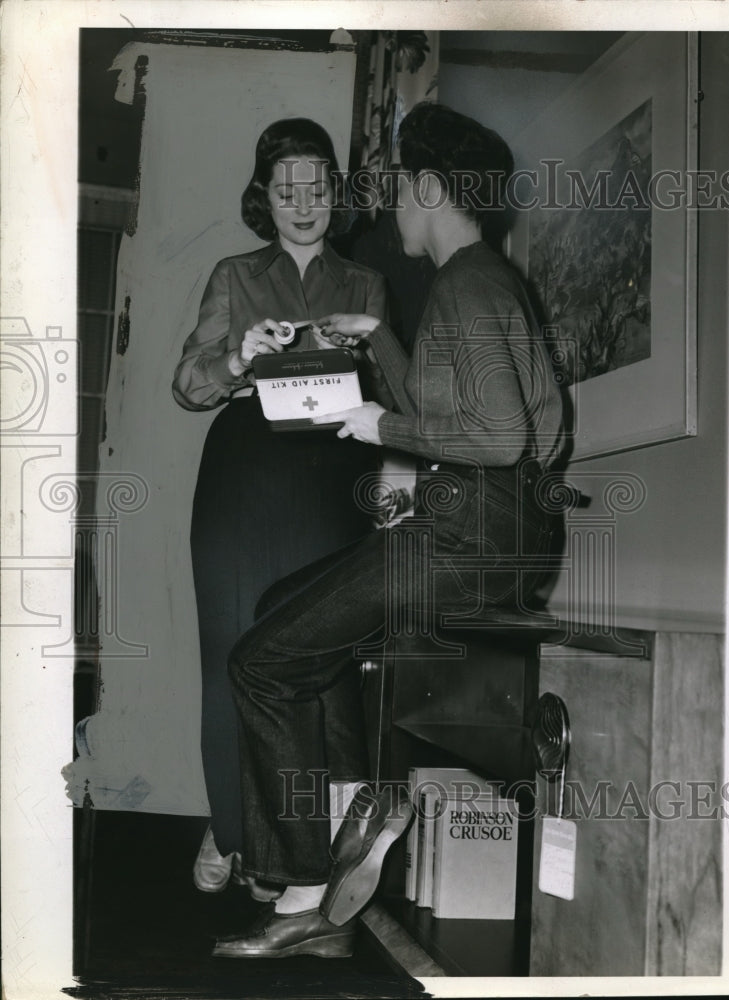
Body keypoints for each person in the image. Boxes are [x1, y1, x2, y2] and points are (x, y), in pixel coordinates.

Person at [214, 102, 565, 959]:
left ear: (432, 189)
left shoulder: (468, 284)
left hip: (466, 542)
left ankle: (301, 893)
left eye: (402, 188)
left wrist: (380, 427)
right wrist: (378, 340)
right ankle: (358, 815)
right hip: (492, 536)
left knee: (259, 663)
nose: (393, 205)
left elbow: (495, 437)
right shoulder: (480, 280)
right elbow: (467, 416)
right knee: (286, 604)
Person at [172, 118, 387, 899]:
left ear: (335, 192)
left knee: (315, 667)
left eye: (317, 185)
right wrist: (238, 358)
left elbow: (392, 392)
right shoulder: (235, 275)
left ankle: (288, 853)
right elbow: (188, 386)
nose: (302, 202)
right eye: (285, 186)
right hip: (243, 477)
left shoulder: (364, 283)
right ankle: (230, 828)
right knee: (229, 657)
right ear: (264, 196)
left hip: (330, 477)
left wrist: (362, 359)